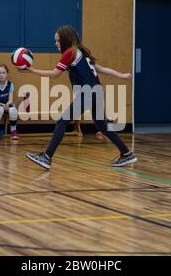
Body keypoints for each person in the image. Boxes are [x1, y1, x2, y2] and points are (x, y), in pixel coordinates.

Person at [19, 25, 137, 170]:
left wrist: (31, 70)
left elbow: (54, 75)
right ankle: (126, 153)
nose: (56, 44)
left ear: (65, 39)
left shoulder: (70, 53)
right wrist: (122, 76)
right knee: (103, 126)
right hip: (97, 92)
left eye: (57, 40)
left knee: (62, 121)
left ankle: (47, 157)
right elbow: (101, 69)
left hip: (87, 93)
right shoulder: (82, 51)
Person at [0, 64, 19, 140]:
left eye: (3, 73)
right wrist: (3, 105)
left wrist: (7, 105)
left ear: (7, 74)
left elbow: (10, 100)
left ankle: (13, 132)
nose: (1, 75)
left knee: (13, 110)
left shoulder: (10, 84)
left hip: (7, 104)